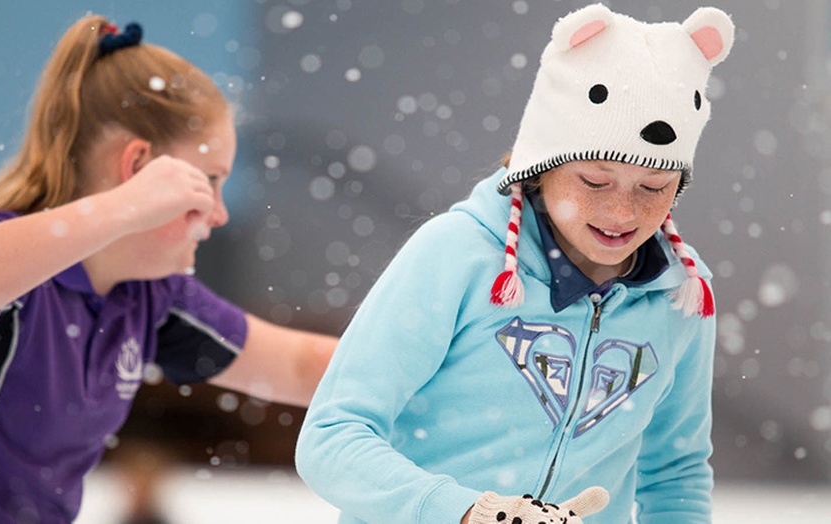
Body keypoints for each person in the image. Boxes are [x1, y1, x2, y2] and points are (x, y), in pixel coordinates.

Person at [295, 4, 734, 523]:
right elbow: (332, 438)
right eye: (595, 181)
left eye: (653, 188)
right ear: (542, 165)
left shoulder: (682, 294)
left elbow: (674, 475)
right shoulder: (455, 255)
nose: (622, 213)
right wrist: (462, 512)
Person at [0, 17, 337, 523]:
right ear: (138, 166)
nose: (220, 214)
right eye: (208, 180)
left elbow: (298, 366)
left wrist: (462, 365)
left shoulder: (150, 297)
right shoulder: (3, 260)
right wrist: (122, 209)